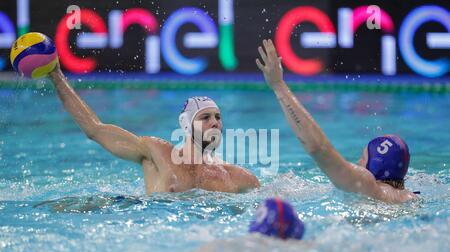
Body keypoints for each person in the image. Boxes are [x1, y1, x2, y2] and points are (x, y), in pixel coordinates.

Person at [48, 63, 260, 194]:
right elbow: (93, 129)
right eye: (205, 117)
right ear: (186, 125)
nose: (215, 122)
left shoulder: (237, 177)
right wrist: (57, 76)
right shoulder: (156, 152)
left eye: (218, 117)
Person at [256, 39, 418, 203]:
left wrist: (278, 85)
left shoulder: (366, 184)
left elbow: (318, 148)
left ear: (375, 166)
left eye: (363, 158)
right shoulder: (411, 198)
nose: (357, 163)